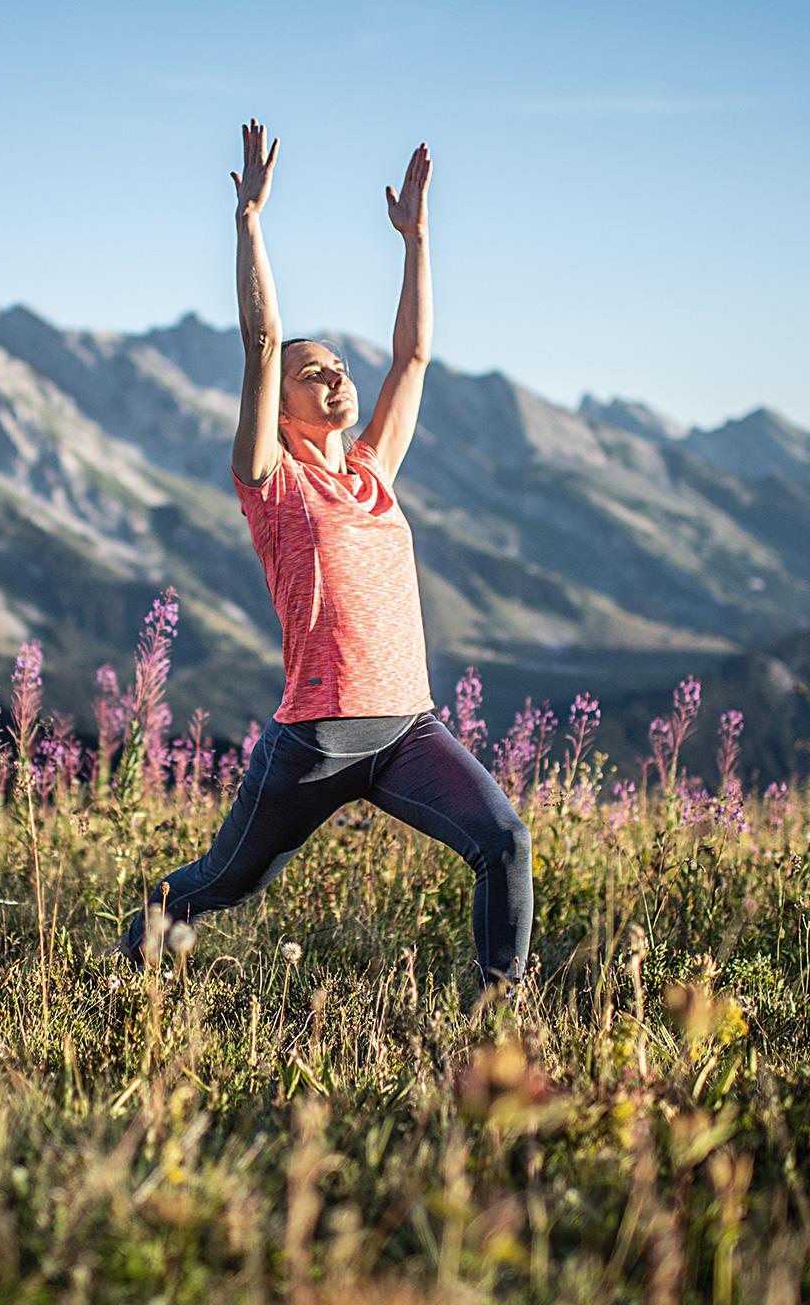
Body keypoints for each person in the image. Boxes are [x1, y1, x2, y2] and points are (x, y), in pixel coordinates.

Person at [118, 120, 535, 1000]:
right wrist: (249, 222)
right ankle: (136, 960)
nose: (335, 377)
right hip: (315, 740)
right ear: (284, 405)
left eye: (340, 367)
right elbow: (262, 343)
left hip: (410, 727)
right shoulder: (269, 480)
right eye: (316, 373)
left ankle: (498, 1015)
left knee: (502, 839)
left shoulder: (374, 473)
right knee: (222, 883)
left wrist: (417, 241)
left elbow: (414, 356)